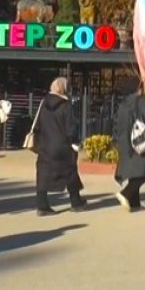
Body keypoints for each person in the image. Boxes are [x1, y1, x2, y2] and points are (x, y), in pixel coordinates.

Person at [33, 77, 87, 215]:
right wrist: (75, 141)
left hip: (45, 145)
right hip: (62, 146)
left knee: (42, 174)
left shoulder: (43, 103)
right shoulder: (66, 105)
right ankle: (75, 202)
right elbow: (71, 129)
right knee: (70, 172)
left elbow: (38, 125)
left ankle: (42, 206)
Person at [113, 76, 145, 211]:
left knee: (134, 171)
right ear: (138, 88)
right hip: (143, 142)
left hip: (127, 144)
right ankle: (126, 193)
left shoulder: (123, 104)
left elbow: (117, 126)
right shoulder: (143, 102)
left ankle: (134, 202)